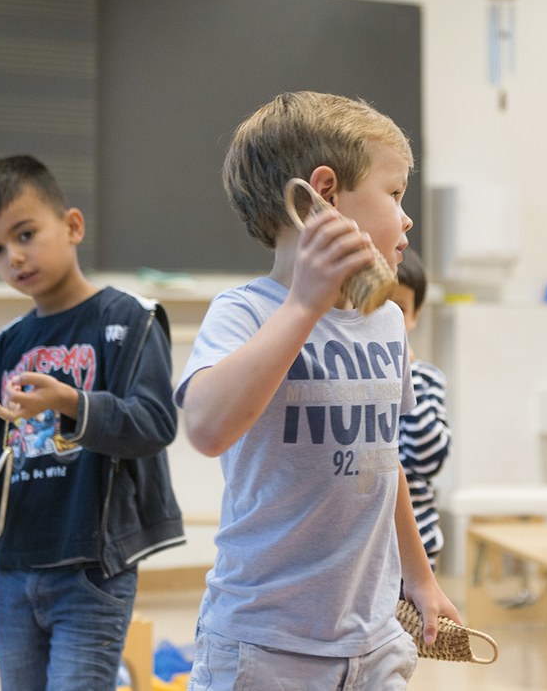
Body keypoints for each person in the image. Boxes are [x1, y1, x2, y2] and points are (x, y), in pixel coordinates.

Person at [176, 91, 459, 690]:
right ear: (325, 193)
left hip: (374, 638)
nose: (407, 218)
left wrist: (420, 576)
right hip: (264, 643)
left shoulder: (386, 320)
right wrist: (305, 304)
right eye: (395, 193)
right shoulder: (245, 312)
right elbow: (205, 428)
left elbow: (382, 460)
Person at [0, 155, 185, 691]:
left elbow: (155, 424)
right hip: (13, 568)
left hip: (90, 568)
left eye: (25, 234)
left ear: (73, 226)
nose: (14, 257)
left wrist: (72, 402)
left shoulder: (129, 319)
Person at [391, 250, 452, 570]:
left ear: (415, 315)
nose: (387, 318)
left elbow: (428, 459)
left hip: (417, 546)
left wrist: (406, 375)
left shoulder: (427, 378)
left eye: (399, 309)